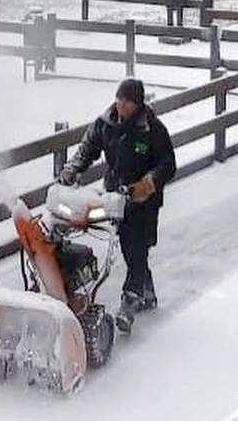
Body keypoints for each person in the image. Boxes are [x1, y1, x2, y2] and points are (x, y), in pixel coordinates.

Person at [57, 78, 176, 317]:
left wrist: (148, 183)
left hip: (144, 200)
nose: (121, 105)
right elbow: (87, 148)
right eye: (119, 99)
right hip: (116, 196)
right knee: (127, 247)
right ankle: (146, 289)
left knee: (138, 245)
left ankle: (130, 299)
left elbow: (168, 164)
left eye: (127, 101)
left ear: (137, 104)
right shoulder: (106, 124)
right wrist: (72, 169)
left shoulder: (152, 130)